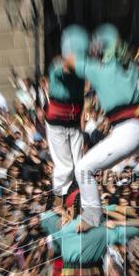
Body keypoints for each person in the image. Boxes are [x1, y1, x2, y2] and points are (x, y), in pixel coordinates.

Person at [63, 24, 139, 227]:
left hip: (127, 132)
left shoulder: (97, 70)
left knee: (83, 169)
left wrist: (78, 47)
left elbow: (69, 59)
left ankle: (91, 217)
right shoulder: (130, 67)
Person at [46, 26, 89, 196]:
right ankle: (61, 200)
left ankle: (83, 196)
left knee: (80, 164)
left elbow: (81, 96)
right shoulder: (58, 64)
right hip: (57, 124)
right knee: (65, 166)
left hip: (74, 123)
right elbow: (63, 71)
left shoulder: (83, 67)